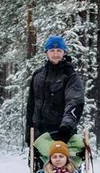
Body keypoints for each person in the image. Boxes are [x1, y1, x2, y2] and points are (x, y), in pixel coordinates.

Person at [26, 35, 85, 165]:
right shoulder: (38, 75)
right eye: (52, 50)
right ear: (46, 52)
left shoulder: (70, 75)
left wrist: (66, 127)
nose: (55, 54)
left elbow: (75, 101)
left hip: (62, 133)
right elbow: (31, 106)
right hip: (40, 134)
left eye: (59, 50)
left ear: (64, 52)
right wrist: (28, 131)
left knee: (64, 171)